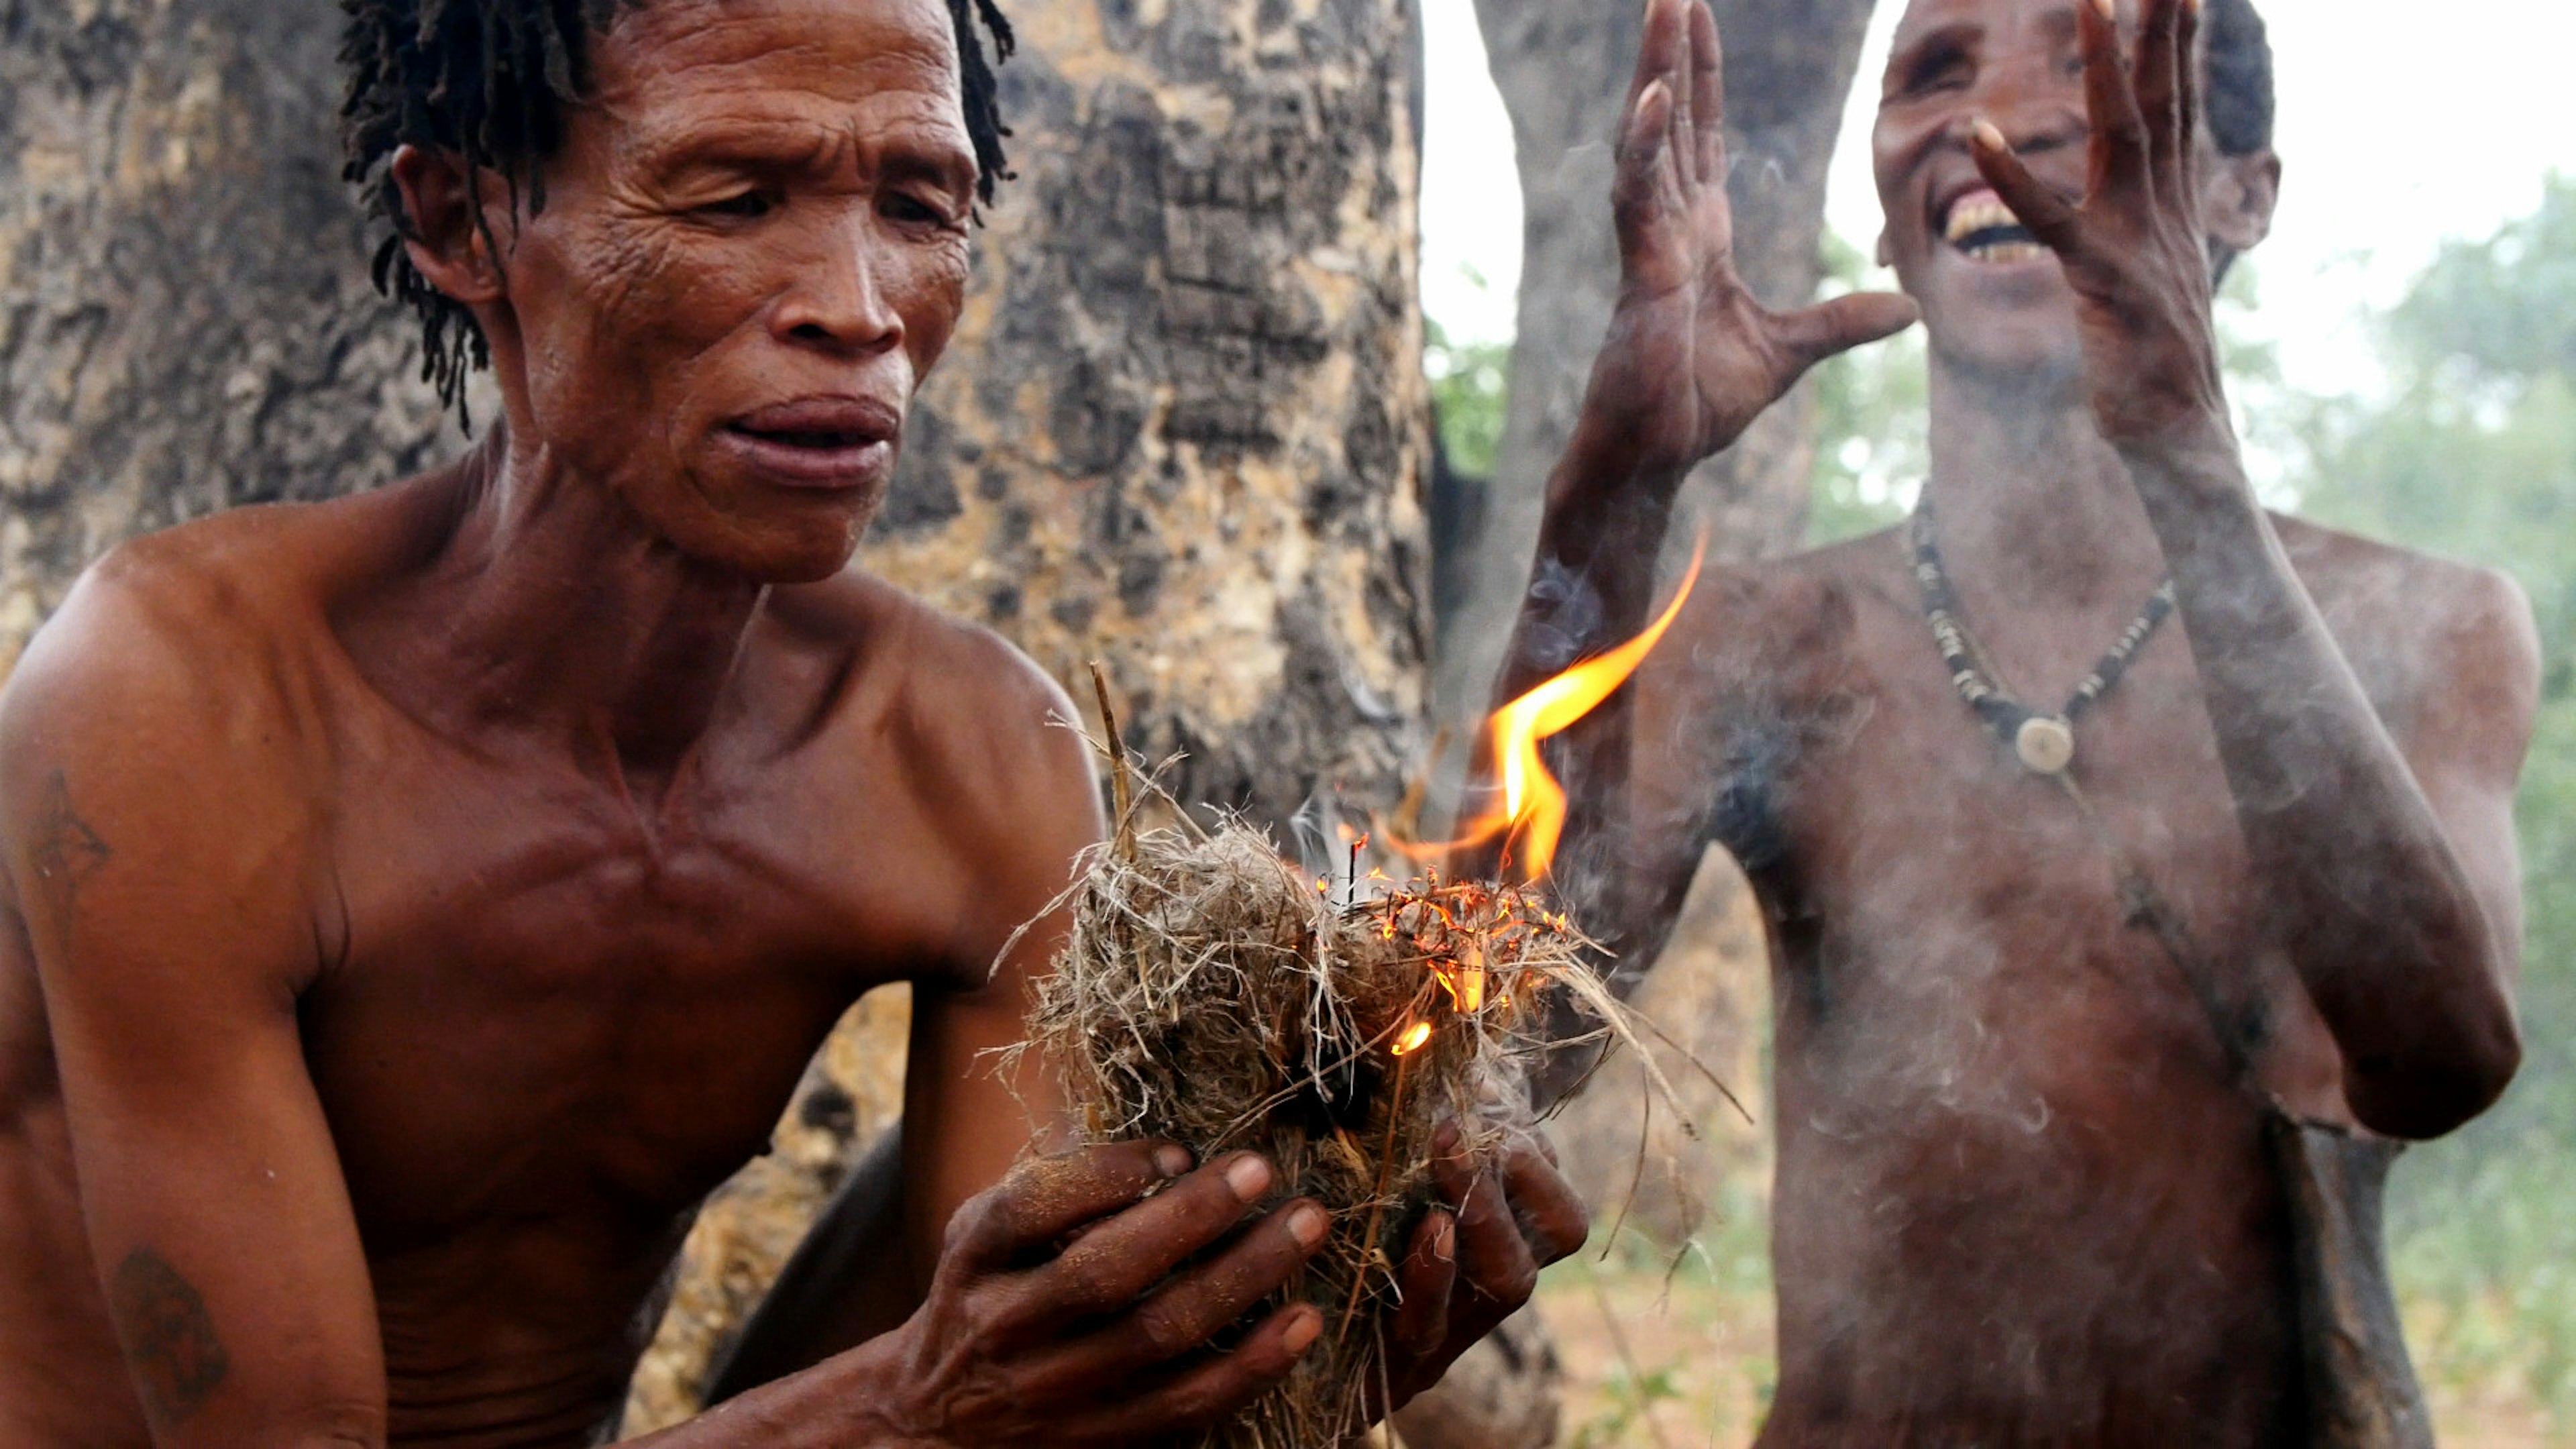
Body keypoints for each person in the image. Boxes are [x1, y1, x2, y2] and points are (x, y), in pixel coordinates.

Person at [0, 0, 1585, 1442]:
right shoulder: (188, 705)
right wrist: (907, 1410)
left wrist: (1263, 1342)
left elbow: (1035, 1395)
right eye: (733, 197)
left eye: (918, 207)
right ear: (463, 219)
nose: (857, 308)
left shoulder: (962, 760)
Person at [1492, 0, 2535, 1440]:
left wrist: (2183, 451)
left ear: (2245, 190)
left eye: (2096, 60)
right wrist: (1608, 496)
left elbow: (2441, 1064)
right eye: (1937, 72)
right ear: (1884, 209)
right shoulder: (1772, 643)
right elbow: (1500, 1049)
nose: (2006, 119)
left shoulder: (2429, 628)